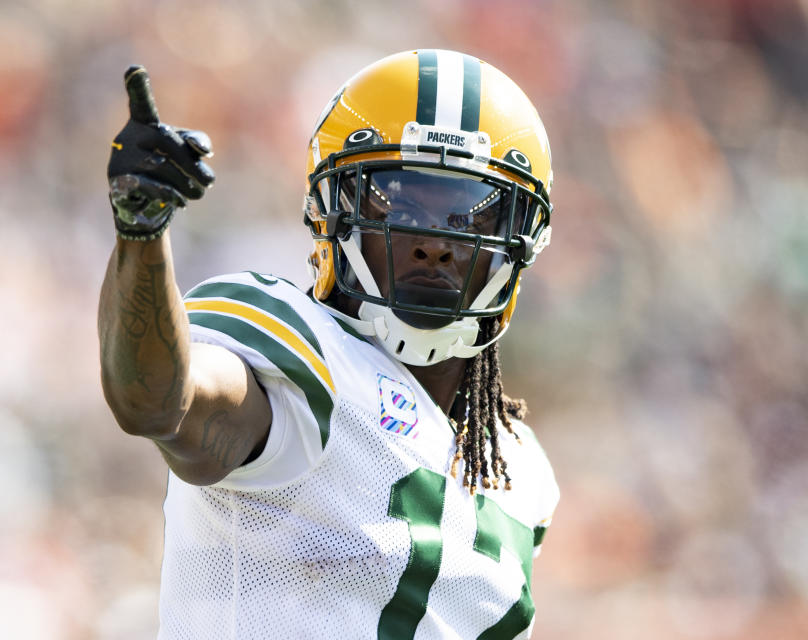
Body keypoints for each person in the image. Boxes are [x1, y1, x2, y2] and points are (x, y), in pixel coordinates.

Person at [99, 50, 559, 639]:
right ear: (331, 213)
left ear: (522, 241)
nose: (435, 243)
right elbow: (159, 400)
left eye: (470, 216)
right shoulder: (305, 353)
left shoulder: (519, 469)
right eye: (399, 199)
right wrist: (141, 235)